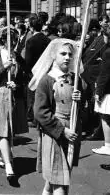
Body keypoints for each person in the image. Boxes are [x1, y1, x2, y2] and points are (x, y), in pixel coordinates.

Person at [31, 39, 83, 195]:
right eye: (63, 54)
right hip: (54, 135)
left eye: (70, 54)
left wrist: (79, 97)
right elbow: (40, 112)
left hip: (72, 133)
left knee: (56, 178)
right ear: (54, 56)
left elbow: (84, 107)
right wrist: (62, 130)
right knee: (60, 183)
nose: (67, 57)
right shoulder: (46, 81)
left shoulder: (76, 80)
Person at [0, 30, 28, 188]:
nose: (14, 42)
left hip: (15, 96)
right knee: (3, 131)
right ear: (3, 40)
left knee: (10, 131)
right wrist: (4, 67)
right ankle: (9, 169)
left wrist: (17, 84)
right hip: (1, 94)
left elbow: (25, 77)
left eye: (16, 39)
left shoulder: (17, 56)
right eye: (11, 39)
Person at [25, 17, 50, 126]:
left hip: (34, 72)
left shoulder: (31, 41)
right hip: (45, 70)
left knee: (33, 96)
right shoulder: (47, 40)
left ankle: (35, 118)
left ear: (31, 27)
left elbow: (28, 62)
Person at [92, 27, 110, 156]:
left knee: (105, 117)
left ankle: (108, 145)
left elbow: (105, 74)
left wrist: (98, 91)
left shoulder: (108, 52)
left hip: (108, 91)